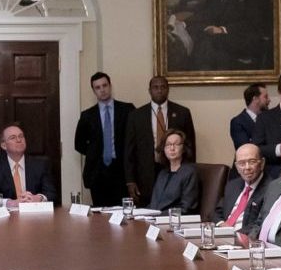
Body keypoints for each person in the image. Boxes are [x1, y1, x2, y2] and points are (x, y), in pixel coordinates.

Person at [186, 0, 273, 71]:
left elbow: (252, 22)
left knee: (208, 46)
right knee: (204, 44)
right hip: (219, 39)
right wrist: (187, 22)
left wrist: (222, 29)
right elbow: (207, 13)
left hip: (242, 37)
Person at [124, 75, 195, 204]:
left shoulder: (182, 113)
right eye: (155, 87)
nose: (159, 90)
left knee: (171, 205)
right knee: (148, 209)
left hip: (175, 170)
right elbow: (129, 150)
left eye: (163, 87)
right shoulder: (136, 115)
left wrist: (189, 173)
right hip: (145, 173)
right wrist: (130, 180)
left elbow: (190, 146)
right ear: (149, 90)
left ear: (168, 89)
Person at [75, 71, 135, 207]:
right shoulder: (87, 115)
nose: (102, 90)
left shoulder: (127, 110)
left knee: (123, 213)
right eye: (98, 87)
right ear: (94, 91)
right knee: (100, 215)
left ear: (110, 86)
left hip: (121, 170)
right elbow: (79, 144)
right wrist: (94, 152)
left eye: (104, 85)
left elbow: (134, 139)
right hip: (97, 171)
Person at [0, 123, 59, 206]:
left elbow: (52, 194)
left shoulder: (40, 165)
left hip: (35, 216)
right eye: (13, 138)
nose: (19, 140)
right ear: (3, 145)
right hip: (7, 217)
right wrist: (10, 203)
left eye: (21, 136)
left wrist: (38, 198)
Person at [147, 129, 200, 213]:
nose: (172, 148)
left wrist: (158, 215)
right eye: (168, 145)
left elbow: (186, 208)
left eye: (176, 144)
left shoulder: (189, 172)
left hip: (173, 221)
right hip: (155, 219)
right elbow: (154, 204)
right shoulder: (162, 173)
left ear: (183, 148)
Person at [216, 143, 265, 226]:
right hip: (222, 234)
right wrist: (222, 225)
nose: (247, 167)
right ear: (237, 167)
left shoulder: (271, 189)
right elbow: (217, 212)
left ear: (262, 163)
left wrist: (233, 233)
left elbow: (260, 225)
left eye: (252, 162)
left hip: (243, 236)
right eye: (242, 163)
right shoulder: (232, 185)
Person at [230, 83, 267, 150]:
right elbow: (245, 148)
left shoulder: (269, 118)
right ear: (255, 99)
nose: (269, 100)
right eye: (265, 97)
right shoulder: (238, 122)